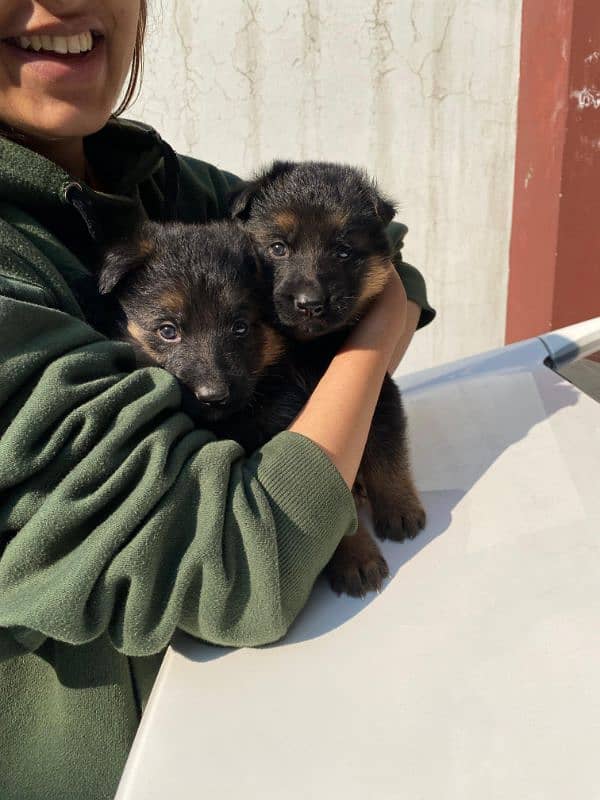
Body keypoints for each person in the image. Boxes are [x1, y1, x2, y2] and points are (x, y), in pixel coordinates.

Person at [0, 2, 435, 798]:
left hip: (288, 715)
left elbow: (379, 252)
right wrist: (373, 345)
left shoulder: (155, 179)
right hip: (125, 768)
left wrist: (364, 294)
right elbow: (236, 568)